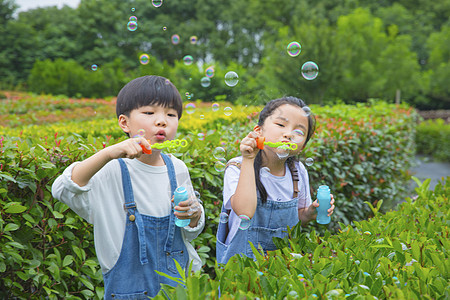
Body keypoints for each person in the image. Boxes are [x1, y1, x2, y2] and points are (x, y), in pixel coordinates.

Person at [52, 75, 205, 299]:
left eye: (171, 114)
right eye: (149, 112)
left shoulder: (178, 168)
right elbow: (62, 189)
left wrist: (194, 214)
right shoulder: (112, 169)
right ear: (124, 123)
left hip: (179, 289)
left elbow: (189, 232)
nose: (162, 121)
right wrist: (108, 153)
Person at [216, 96, 335, 265]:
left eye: (299, 132)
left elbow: (298, 217)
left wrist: (310, 213)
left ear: (303, 145)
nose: (288, 134)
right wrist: (249, 159)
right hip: (241, 268)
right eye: (280, 125)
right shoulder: (238, 167)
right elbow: (244, 212)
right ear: (259, 131)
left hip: (282, 267)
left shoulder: (298, 172)